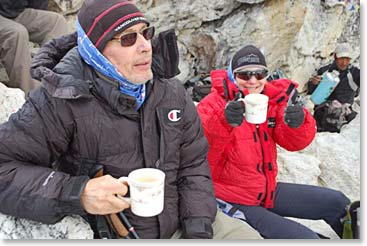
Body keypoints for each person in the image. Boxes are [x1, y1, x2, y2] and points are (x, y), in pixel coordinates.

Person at [0, 0, 261, 240]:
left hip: (186, 221)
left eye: (146, 33)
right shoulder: (60, 100)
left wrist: (198, 227)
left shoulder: (171, 91)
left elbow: (192, 163)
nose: (145, 45)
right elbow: (5, 168)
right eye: (127, 39)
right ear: (97, 52)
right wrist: (76, 192)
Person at [196, 44, 351, 239]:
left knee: (338, 204)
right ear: (231, 76)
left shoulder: (271, 99)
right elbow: (198, 156)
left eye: (259, 74)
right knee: (308, 239)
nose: (253, 81)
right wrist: (224, 121)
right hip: (230, 199)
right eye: (244, 75)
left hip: (265, 190)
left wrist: (298, 122)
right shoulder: (212, 104)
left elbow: (295, 144)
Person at [0, 0, 69, 96]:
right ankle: (33, 97)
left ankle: (51, 84)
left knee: (57, 22)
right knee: (17, 33)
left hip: (13, 12)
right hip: (5, 12)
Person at [306, 43, 360, 133]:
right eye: (341, 58)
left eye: (347, 59)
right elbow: (311, 92)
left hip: (343, 118)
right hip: (321, 115)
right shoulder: (324, 71)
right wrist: (313, 83)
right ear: (335, 57)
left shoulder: (354, 73)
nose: (344, 63)